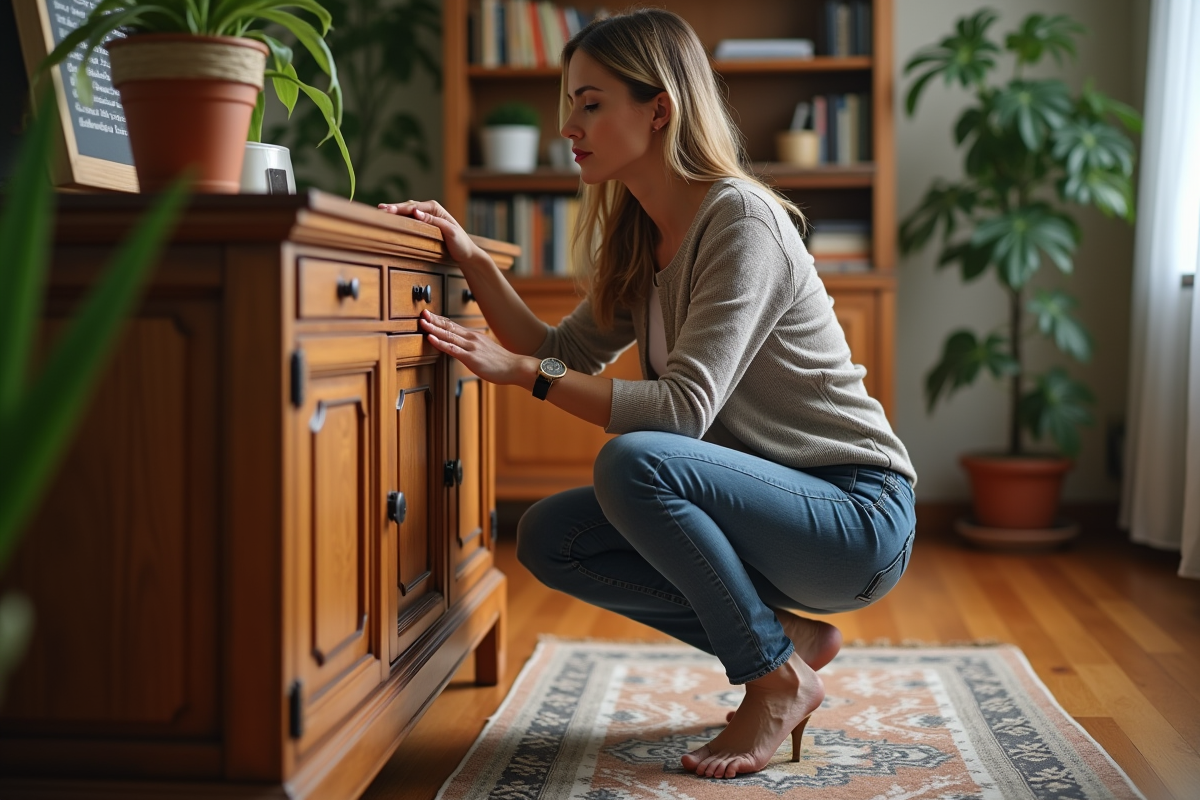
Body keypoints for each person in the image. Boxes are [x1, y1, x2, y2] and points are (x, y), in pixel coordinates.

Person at [378, 7, 916, 780]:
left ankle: (772, 680)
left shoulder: (742, 220)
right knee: (549, 537)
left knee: (635, 462)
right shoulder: (641, 234)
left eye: (590, 102)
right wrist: (469, 257)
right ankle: (784, 643)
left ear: (658, 108)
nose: (569, 125)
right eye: (569, 103)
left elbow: (679, 412)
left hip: (855, 516)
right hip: (767, 510)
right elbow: (560, 350)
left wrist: (523, 376)